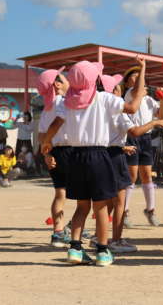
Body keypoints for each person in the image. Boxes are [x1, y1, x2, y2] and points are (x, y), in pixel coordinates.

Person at [42, 58, 146, 267]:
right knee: (100, 208)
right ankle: (102, 250)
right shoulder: (104, 98)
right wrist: (142, 76)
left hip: (75, 157)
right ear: (94, 79)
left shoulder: (66, 101)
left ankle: (75, 248)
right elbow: (133, 108)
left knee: (82, 207)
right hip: (99, 155)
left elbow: (55, 124)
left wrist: (46, 144)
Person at [121, 65, 163, 227]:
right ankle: (124, 212)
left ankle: (150, 210)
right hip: (132, 136)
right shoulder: (129, 94)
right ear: (127, 83)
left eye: (139, 75)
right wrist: (144, 67)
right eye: (133, 76)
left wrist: (162, 99)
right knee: (131, 176)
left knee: (147, 175)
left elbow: (161, 116)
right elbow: (138, 89)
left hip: (146, 138)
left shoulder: (148, 99)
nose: (138, 77)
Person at [36, 66, 71, 247]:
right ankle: (75, 227)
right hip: (69, 151)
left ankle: (58, 232)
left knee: (60, 193)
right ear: (57, 84)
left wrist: (46, 153)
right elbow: (58, 125)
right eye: (64, 79)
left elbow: (41, 135)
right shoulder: (63, 103)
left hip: (53, 151)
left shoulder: (46, 108)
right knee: (87, 194)